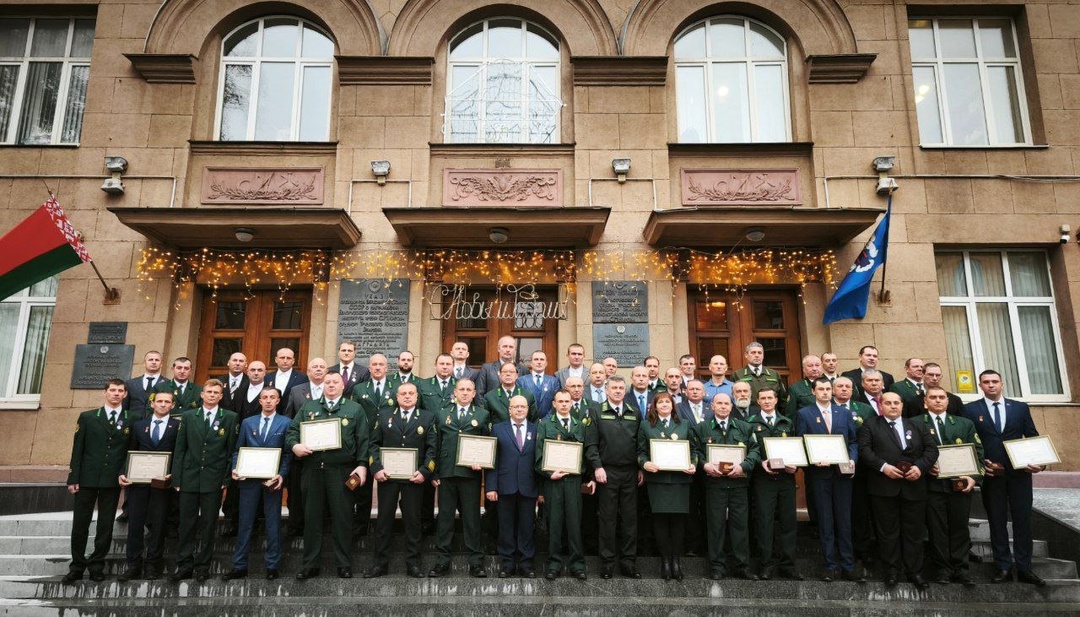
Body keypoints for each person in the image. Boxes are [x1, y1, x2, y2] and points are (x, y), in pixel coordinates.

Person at [963, 370, 1046, 586]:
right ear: (980, 386)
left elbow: (1032, 436)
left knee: (1022, 520)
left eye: (995, 381)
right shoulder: (970, 409)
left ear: (1002, 384)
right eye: (986, 382)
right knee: (996, 521)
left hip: (1020, 474)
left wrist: (1041, 463)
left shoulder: (1019, 407)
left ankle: (1025, 568)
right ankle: (1003, 567)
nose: (991, 385)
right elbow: (969, 442)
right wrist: (980, 465)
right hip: (992, 475)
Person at [286, 372, 369, 580]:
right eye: (328, 382)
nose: (331, 385)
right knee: (312, 519)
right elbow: (292, 432)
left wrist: (361, 465)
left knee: (343, 518)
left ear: (343, 386)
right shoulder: (309, 407)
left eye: (335, 382)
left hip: (341, 472)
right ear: (323, 385)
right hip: (312, 470)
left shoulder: (354, 409)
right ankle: (310, 564)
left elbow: (363, 439)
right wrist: (295, 446)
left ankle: (344, 564)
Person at [857, 392, 937, 589]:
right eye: (888, 403)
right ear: (881, 406)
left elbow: (931, 450)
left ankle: (914, 572)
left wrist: (920, 467)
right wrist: (883, 467)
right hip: (883, 487)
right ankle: (891, 571)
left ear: (902, 405)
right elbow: (864, 450)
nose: (893, 406)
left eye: (896, 403)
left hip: (914, 487)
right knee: (887, 532)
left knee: (914, 532)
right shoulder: (870, 425)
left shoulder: (917, 425)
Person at [63, 379, 133, 584]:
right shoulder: (88, 417)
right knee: (80, 524)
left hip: (112, 480)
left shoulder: (131, 418)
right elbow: (78, 449)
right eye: (112, 390)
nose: (116, 394)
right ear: (105, 392)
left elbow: (130, 451)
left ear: (125, 394)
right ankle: (77, 566)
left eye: (120, 391)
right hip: (87, 478)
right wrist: (73, 477)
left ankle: (96, 565)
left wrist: (123, 472)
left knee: (105, 525)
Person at [795, 377, 864, 583]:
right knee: (825, 521)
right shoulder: (804, 414)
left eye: (827, 389)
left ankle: (848, 565)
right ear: (813, 392)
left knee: (844, 520)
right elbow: (800, 442)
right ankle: (829, 566)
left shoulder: (843, 413)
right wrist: (813, 460)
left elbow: (852, 441)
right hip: (819, 475)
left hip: (842, 475)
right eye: (821, 389)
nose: (825, 392)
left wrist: (852, 459)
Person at [364, 382, 436, 579]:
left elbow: (432, 449)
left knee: (413, 522)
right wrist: (376, 468)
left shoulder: (427, 417)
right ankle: (380, 564)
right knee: (383, 520)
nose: (407, 396)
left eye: (411, 393)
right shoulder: (384, 415)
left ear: (417, 396)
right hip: (387, 477)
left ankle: (413, 564)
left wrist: (425, 471)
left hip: (414, 478)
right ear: (397, 397)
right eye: (403, 393)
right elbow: (373, 444)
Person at [170, 379, 239, 582]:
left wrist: (226, 477)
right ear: (202, 394)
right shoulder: (189, 416)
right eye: (209, 392)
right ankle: (184, 564)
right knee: (187, 523)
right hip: (189, 477)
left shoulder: (230, 417)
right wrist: (177, 477)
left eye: (216, 392)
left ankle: (203, 566)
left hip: (214, 478)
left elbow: (231, 451)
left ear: (221, 396)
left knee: (209, 524)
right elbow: (180, 448)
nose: (212, 395)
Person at [223, 387, 291, 581]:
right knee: (245, 523)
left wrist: (281, 475)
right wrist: (236, 468)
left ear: (278, 401)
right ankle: (239, 565)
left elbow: (287, 454)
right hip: (249, 480)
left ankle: (272, 566)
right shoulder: (247, 422)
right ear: (259, 401)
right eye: (265, 397)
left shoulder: (286, 422)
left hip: (272, 481)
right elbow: (238, 450)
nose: (268, 400)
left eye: (272, 397)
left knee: (273, 523)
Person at [428, 379, 490, 578]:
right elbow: (435, 445)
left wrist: (483, 462)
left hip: (470, 475)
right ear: (454, 392)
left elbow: (488, 444)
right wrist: (434, 472)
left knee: (472, 519)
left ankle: (476, 562)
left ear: (474, 394)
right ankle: (442, 561)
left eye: (468, 390)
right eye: (461, 389)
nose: (464, 392)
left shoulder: (482, 415)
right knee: (445, 519)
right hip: (446, 474)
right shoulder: (442, 414)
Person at [695, 393, 759, 580]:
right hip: (714, 485)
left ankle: (742, 566)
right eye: (719, 403)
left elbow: (755, 450)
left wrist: (743, 466)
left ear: (731, 407)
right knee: (715, 526)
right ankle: (717, 566)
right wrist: (705, 465)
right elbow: (695, 451)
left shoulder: (744, 427)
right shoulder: (702, 428)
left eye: (726, 404)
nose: (723, 406)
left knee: (740, 526)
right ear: (712, 406)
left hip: (738, 484)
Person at [922, 386, 982, 586]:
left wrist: (973, 477)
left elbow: (978, 452)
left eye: (942, 397)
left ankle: (961, 568)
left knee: (960, 527)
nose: (938, 400)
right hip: (932, 486)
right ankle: (942, 569)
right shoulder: (915, 423)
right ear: (925, 402)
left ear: (948, 401)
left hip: (960, 484)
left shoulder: (965, 424)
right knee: (937, 529)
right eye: (933, 397)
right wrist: (925, 466)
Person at [118, 389, 178, 582]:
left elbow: (180, 453)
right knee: (135, 524)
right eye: (159, 401)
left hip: (163, 484)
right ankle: (133, 565)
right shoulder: (139, 426)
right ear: (152, 404)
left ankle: (152, 565)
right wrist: (123, 472)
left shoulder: (177, 427)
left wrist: (174, 474)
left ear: (172, 405)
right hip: (139, 483)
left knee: (159, 525)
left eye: (167, 402)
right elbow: (129, 451)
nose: (163, 404)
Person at [584, 375, 641, 579]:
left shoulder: (634, 412)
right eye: (614, 388)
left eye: (620, 388)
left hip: (630, 473)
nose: (617, 391)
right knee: (607, 519)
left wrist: (640, 468)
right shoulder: (596, 411)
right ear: (606, 390)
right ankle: (607, 562)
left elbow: (640, 443)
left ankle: (628, 562)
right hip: (606, 472)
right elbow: (591, 444)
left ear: (625, 390)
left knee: (629, 519)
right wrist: (597, 467)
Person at [637, 392, 698, 580]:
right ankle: (665, 562)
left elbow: (694, 450)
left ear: (673, 405)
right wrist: (645, 463)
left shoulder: (684, 424)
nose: (664, 404)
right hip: (658, 481)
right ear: (654, 406)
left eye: (667, 402)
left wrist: (693, 464)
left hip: (680, 480)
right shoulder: (646, 425)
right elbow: (640, 451)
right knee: (660, 521)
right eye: (660, 402)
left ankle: (676, 562)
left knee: (678, 522)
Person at [537, 389, 592, 581]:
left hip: (573, 481)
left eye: (567, 401)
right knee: (554, 523)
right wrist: (549, 473)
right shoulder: (545, 425)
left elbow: (586, 453)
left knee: (575, 523)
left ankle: (578, 564)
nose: (564, 404)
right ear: (554, 404)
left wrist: (583, 473)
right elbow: (538, 455)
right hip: (553, 481)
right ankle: (554, 564)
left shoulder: (580, 425)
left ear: (571, 403)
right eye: (560, 401)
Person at [748, 387, 802, 581]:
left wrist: (796, 466)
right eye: (763, 398)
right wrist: (759, 463)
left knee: (788, 522)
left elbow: (796, 448)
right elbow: (749, 449)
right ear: (758, 401)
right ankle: (766, 564)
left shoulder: (787, 422)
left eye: (770, 398)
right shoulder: (751, 423)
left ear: (776, 400)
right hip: (763, 479)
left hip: (786, 478)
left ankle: (788, 565)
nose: (767, 401)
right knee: (765, 522)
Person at [486, 395, 539, 578]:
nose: (519, 409)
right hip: (504, 485)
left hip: (529, 485)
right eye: (515, 407)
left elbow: (539, 460)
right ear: (509, 409)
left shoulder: (536, 429)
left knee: (527, 526)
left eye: (522, 406)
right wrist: (491, 487)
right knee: (506, 526)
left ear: (527, 409)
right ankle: (507, 563)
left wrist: (541, 490)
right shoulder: (498, 429)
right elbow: (493, 459)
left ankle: (526, 564)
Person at [350, 353, 398, 536]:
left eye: (381, 364)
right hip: (364, 440)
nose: (377, 367)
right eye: (374, 365)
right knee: (362, 486)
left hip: (388, 442)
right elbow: (353, 414)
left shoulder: (396, 387)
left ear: (387, 367)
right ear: (369, 368)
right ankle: (360, 525)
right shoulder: (359, 389)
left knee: (388, 485)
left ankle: (385, 527)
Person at [282, 357, 326, 537]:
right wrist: (294, 445)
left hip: (326, 451)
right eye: (314, 367)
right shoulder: (296, 390)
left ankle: (321, 527)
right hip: (301, 451)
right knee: (297, 492)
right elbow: (289, 419)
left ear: (327, 372)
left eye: (322, 367)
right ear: (308, 372)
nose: (318, 369)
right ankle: (295, 527)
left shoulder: (333, 389)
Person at [732, 342, 788, 409]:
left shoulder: (774, 374)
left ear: (763, 356)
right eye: (753, 352)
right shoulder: (737, 374)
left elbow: (782, 400)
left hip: (770, 413)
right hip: (748, 414)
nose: (757, 355)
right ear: (746, 355)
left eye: (759, 353)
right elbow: (733, 399)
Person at [518, 350, 558, 419]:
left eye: (542, 359)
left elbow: (556, 403)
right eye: (536, 359)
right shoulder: (521, 381)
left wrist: (546, 420)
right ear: (531, 363)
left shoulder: (554, 381)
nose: (539, 362)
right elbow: (518, 402)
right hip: (527, 420)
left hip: (547, 422)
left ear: (546, 363)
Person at [125, 350, 164, 419]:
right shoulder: (130, 383)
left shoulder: (168, 383)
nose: (154, 362)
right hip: (133, 422)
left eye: (157, 360)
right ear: (144, 363)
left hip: (157, 422)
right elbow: (124, 406)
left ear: (161, 364)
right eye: (150, 360)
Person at [268, 347, 309, 412]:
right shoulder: (268, 377)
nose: (285, 361)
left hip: (293, 414)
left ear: (293, 361)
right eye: (282, 358)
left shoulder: (302, 378)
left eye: (288, 358)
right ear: (276, 359)